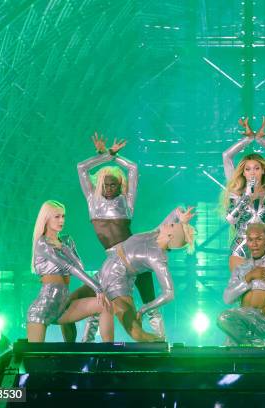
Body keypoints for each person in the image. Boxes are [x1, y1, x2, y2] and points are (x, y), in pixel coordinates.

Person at [65, 133, 163, 342]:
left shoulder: (127, 202)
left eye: (114, 185)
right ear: (100, 183)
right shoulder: (93, 200)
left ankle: (160, 340)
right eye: (106, 185)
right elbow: (81, 168)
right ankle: (81, 345)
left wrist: (115, 156)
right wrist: (105, 154)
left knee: (148, 298)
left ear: (121, 185)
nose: (109, 189)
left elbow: (133, 169)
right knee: (89, 299)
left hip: (133, 251)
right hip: (113, 259)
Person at [97, 206, 196, 342]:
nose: (168, 223)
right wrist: (182, 219)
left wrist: (144, 308)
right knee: (69, 304)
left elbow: (169, 293)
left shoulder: (158, 258)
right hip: (106, 268)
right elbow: (177, 210)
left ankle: (160, 346)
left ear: (170, 236)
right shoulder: (154, 234)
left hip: (118, 281)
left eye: (172, 225)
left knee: (135, 331)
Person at [26, 200, 113, 342]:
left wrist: (63, 247)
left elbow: (79, 266)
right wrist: (97, 288)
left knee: (105, 305)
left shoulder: (67, 241)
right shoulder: (42, 243)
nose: (61, 220)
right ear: (46, 218)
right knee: (34, 359)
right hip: (44, 307)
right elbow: (69, 268)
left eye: (63, 216)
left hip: (64, 305)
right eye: (57, 216)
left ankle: (109, 354)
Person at [222, 116, 265, 272]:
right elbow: (231, 219)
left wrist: (260, 140)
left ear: (263, 170)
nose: (252, 172)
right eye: (248, 169)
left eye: (256, 168)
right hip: (241, 245)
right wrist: (248, 139)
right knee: (241, 291)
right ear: (243, 172)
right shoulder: (236, 191)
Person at [217, 223, 265, 346]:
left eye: (259, 239)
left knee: (224, 317)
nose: (254, 243)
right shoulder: (241, 268)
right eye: (251, 239)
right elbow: (227, 298)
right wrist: (249, 277)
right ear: (246, 241)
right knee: (228, 350)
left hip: (262, 319)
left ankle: (256, 343)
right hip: (241, 322)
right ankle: (256, 342)